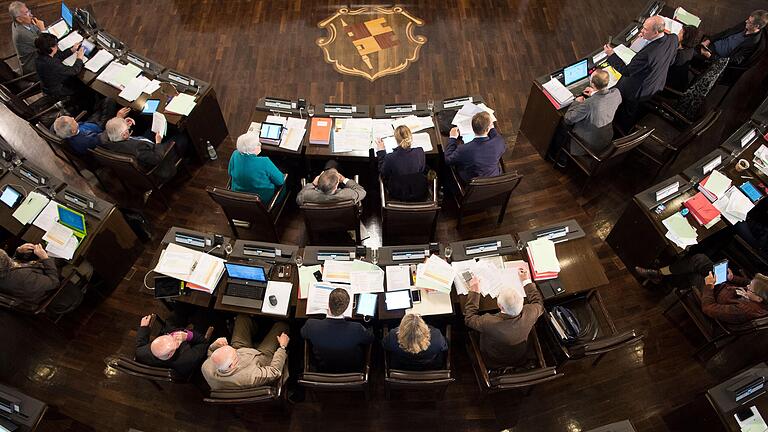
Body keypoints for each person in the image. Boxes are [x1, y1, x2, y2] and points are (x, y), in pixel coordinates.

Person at [636, 254, 768, 324]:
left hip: (711, 296)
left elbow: (708, 308)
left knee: (692, 272)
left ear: (758, 298)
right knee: (699, 259)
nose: (748, 286)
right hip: (722, 285)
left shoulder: (743, 311)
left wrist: (709, 287)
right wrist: (732, 278)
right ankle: (660, 274)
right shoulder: (759, 291)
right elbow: (746, 282)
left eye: (750, 288)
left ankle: (661, 277)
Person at [603, 16, 678, 130]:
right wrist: (647, 37)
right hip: (657, 84)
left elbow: (627, 71)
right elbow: (671, 61)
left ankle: (623, 129)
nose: (641, 31)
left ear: (656, 32)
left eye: (645, 29)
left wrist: (611, 55)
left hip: (640, 91)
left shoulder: (647, 54)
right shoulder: (673, 39)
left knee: (621, 93)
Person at [463, 268, 544, 369]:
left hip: (494, 359)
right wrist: (526, 281)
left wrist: (474, 292)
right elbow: (538, 303)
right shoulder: (531, 313)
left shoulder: (489, 322)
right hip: (519, 355)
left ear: (500, 305)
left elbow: (469, 318)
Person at [201, 314, 289, 390]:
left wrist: (215, 345)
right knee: (282, 326)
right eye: (235, 353)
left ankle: (256, 328)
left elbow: (211, 353)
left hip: (243, 349)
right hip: (261, 356)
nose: (235, 350)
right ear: (232, 365)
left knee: (242, 318)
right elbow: (274, 372)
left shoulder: (206, 368)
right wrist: (282, 347)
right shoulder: (250, 377)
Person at [300, 288, 374, 372]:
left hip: (323, 365)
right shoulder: (356, 329)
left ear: (328, 304)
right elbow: (370, 338)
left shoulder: (311, 325)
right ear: (346, 307)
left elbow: (303, 333)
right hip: (351, 366)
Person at [558, 69, 622, 162]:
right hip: (606, 138)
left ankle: (561, 158)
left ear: (592, 84)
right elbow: (605, 102)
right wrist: (593, 93)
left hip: (588, 144)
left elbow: (568, 119)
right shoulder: (616, 93)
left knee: (561, 124)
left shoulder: (589, 104)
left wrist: (576, 103)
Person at [0, 243, 83, 313]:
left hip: (37, 284)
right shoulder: (24, 278)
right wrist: (45, 258)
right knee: (66, 258)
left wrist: (19, 252)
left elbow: (12, 266)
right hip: (58, 294)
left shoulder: (5, 273)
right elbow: (54, 282)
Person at [99, 116, 180, 183]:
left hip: (141, 145)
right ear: (124, 135)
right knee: (181, 138)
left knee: (150, 129)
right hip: (157, 161)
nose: (128, 127)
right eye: (127, 129)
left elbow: (106, 132)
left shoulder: (106, 142)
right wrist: (158, 142)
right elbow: (157, 158)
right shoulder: (138, 148)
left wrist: (120, 123)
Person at [134, 314, 209, 376]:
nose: (172, 336)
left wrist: (143, 327)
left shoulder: (141, 353)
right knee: (202, 319)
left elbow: (140, 344)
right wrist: (188, 336)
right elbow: (204, 343)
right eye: (175, 342)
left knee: (173, 318)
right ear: (170, 354)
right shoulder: (187, 359)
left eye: (168, 335)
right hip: (190, 343)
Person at [33, 33, 92, 112]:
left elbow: (58, 56)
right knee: (85, 88)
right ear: (52, 48)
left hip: (48, 84)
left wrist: (72, 50)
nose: (57, 46)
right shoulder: (52, 64)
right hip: (58, 89)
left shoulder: (41, 55)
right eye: (56, 45)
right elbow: (73, 71)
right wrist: (79, 58)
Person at [443, 111, 506, 183]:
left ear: (472, 127)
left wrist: (452, 138)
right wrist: (491, 127)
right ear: (488, 129)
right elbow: (496, 137)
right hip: (495, 180)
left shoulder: (464, 149)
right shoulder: (499, 142)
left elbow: (448, 159)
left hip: (473, 182)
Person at [227, 132, 285, 203]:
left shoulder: (235, 154)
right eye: (258, 144)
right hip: (261, 199)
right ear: (252, 149)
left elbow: (230, 173)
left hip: (239, 196)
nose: (260, 144)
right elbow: (280, 181)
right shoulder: (264, 162)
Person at [375, 125, 428, 201]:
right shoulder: (420, 152)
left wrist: (381, 152)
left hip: (397, 194)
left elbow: (383, 172)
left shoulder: (390, 157)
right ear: (410, 137)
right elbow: (422, 169)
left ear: (396, 139)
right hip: (419, 192)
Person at [697, 10, 768, 67]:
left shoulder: (752, 42)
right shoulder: (746, 24)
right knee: (690, 51)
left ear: (756, 26)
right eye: (748, 19)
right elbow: (727, 32)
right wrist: (709, 40)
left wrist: (711, 56)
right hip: (711, 45)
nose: (746, 21)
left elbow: (735, 60)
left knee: (690, 55)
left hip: (716, 57)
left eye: (749, 22)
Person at [53, 105, 129, 155]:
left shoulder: (66, 131)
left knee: (106, 102)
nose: (73, 118)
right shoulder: (87, 140)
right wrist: (118, 118)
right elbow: (104, 137)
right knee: (110, 103)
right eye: (72, 121)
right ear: (73, 131)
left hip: (91, 124)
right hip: (102, 130)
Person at [382, 313, 448, 371]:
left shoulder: (393, 336)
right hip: (429, 367)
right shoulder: (437, 336)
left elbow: (384, 344)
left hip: (402, 367)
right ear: (424, 329)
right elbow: (445, 346)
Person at [295, 165, 366, 206]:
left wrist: (313, 183)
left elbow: (298, 198)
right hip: (341, 222)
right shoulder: (349, 195)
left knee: (330, 163)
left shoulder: (307, 196)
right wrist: (344, 179)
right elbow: (362, 191)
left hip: (318, 222)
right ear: (336, 185)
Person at [9, 1, 44, 75]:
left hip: (37, 54)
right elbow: (46, 45)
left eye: (28, 11)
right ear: (19, 19)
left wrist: (40, 30)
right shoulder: (22, 34)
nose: (31, 15)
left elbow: (37, 32)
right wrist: (43, 29)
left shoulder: (23, 23)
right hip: (35, 68)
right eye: (26, 14)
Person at [667, 25, 702, 92]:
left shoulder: (679, 55)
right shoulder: (690, 49)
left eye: (680, 33)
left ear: (685, 37)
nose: (678, 34)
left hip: (669, 88)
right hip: (679, 83)